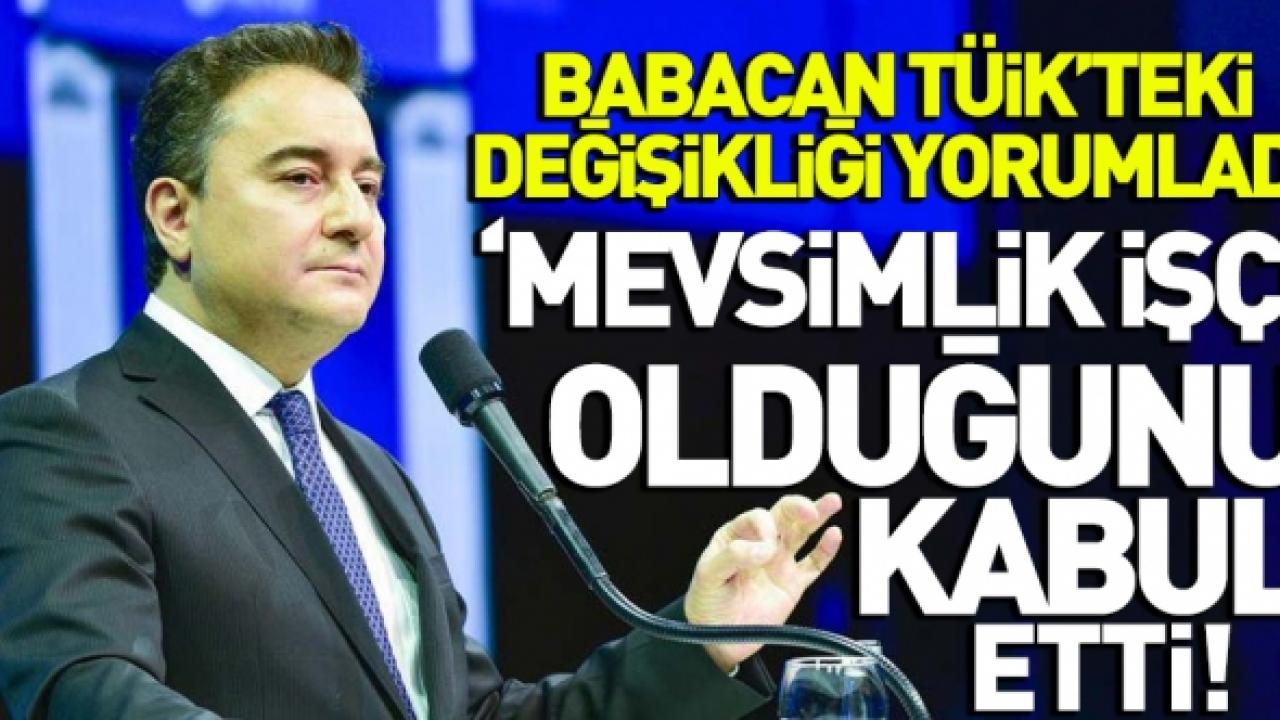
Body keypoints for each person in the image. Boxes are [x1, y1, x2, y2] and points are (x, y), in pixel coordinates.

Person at [0, 22, 844, 720]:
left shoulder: (370, 474)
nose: (355, 219)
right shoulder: (67, 433)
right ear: (175, 215)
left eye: (369, 186)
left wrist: (702, 638)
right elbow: (81, 689)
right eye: (302, 178)